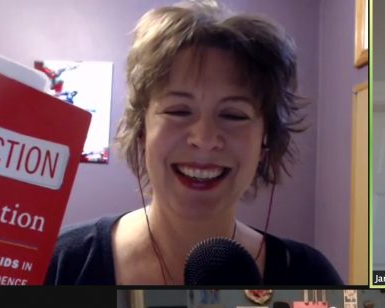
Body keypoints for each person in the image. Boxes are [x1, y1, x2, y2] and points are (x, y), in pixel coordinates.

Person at [46, 0, 342, 285]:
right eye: (178, 111)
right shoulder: (60, 264)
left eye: (233, 115)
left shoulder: (309, 275)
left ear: (266, 140)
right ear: (142, 130)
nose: (204, 139)